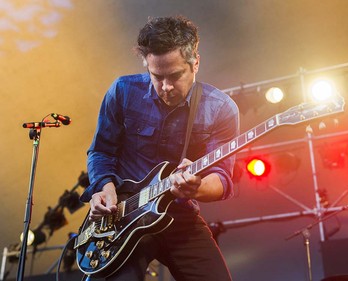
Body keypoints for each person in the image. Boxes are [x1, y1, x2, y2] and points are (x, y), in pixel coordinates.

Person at [80, 15, 239, 281]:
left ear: (195, 63)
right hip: (123, 217)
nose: (166, 87)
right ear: (146, 64)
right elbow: (101, 151)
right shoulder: (122, 91)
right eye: (157, 76)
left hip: (179, 215)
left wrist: (196, 187)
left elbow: (222, 178)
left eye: (175, 76)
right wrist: (105, 190)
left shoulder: (220, 108)